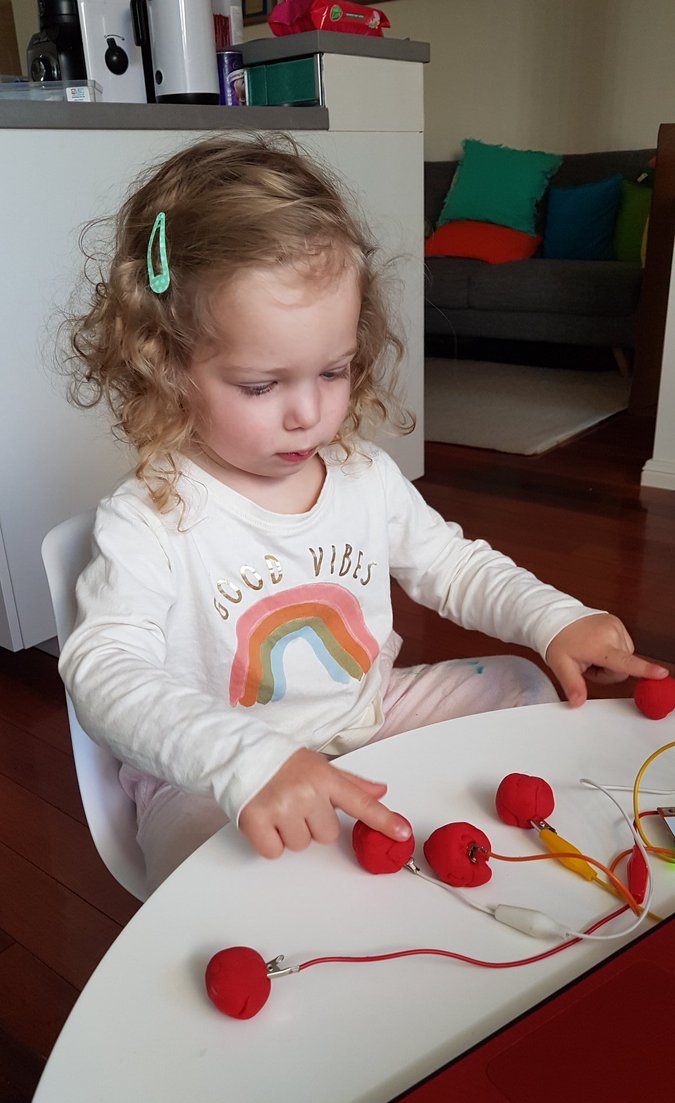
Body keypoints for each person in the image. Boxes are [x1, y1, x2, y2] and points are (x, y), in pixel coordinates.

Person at [59, 135, 668, 893]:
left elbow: (451, 566)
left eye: (333, 370)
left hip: (368, 715)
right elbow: (102, 669)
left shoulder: (362, 477)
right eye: (260, 386)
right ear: (165, 364)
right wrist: (245, 762)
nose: (308, 413)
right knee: (199, 870)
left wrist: (554, 619)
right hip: (213, 774)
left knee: (518, 684)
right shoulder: (149, 517)